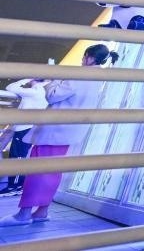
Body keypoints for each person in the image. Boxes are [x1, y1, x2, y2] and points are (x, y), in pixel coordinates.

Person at [0, 44, 118, 226]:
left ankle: (23, 214)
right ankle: (42, 211)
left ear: (90, 57)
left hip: (53, 131)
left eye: (84, 56)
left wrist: (54, 79)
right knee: (52, 172)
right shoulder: (98, 79)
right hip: (68, 133)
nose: (82, 60)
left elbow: (53, 95)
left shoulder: (79, 75)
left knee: (36, 171)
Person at [0, 78, 49, 196]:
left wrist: (26, 79)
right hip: (26, 128)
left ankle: (15, 186)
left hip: (24, 128)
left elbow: (10, 87)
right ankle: (17, 185)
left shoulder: (36, 91)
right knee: (18, 156)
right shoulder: (41, 91)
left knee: (18, 157)